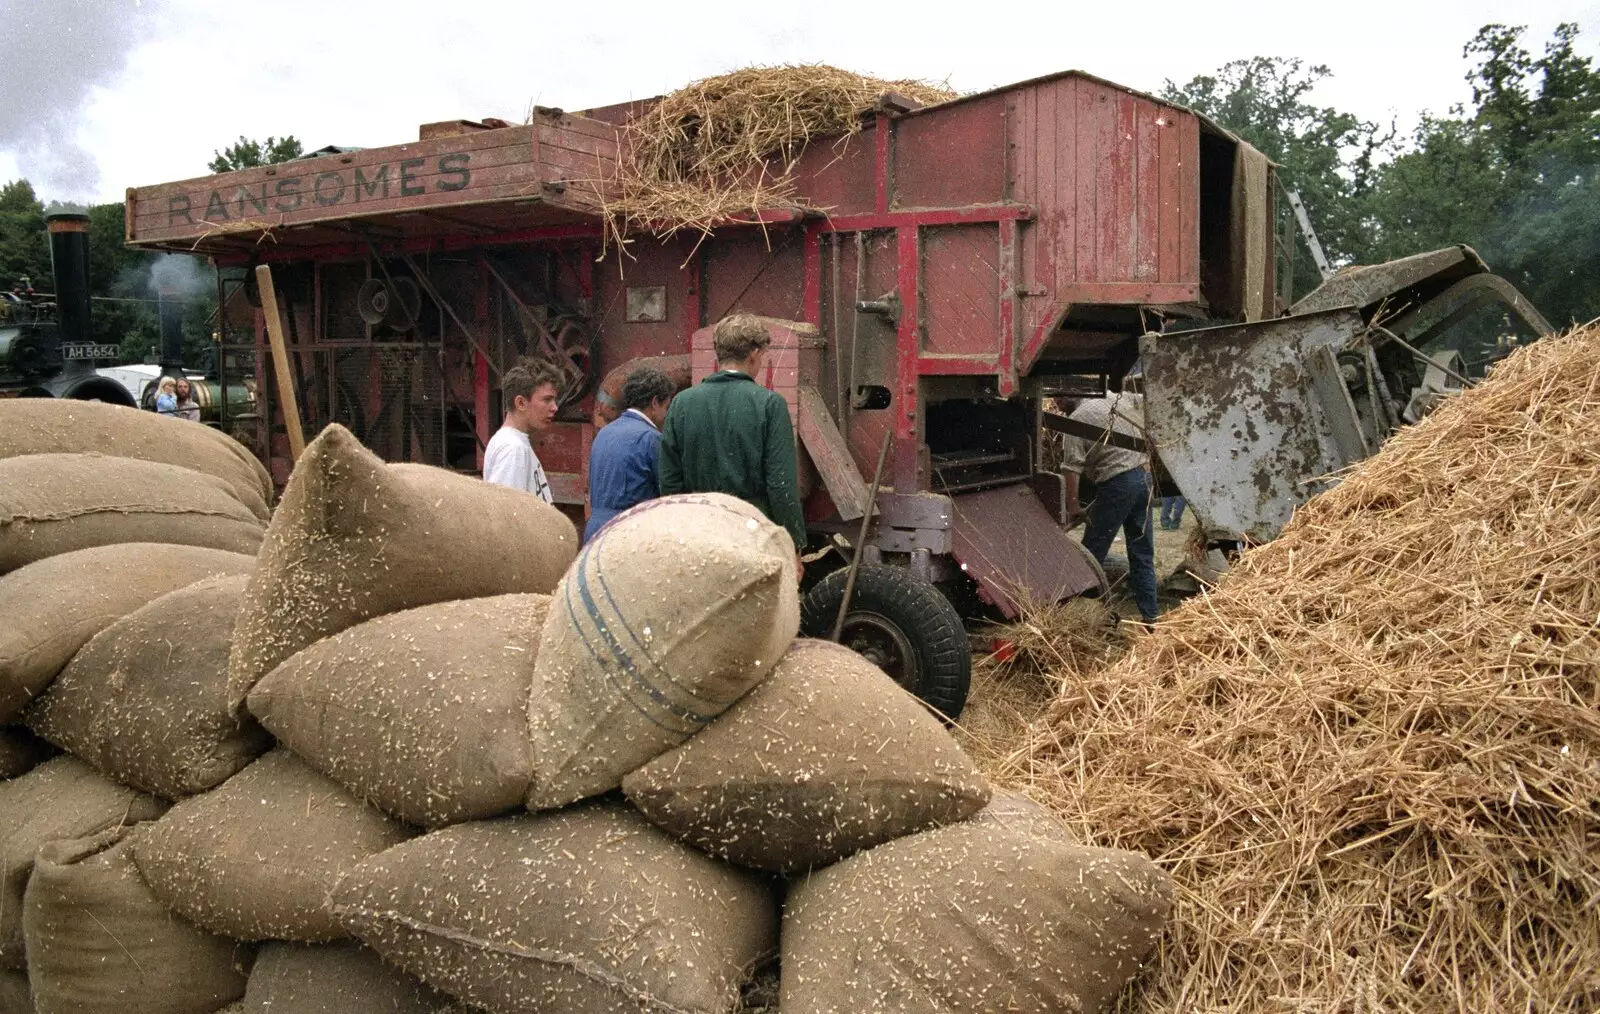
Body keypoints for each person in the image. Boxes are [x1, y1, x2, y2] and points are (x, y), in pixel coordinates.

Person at [660, 314, 806, 580]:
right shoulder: (770, 405)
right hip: (752, 536)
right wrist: (793, 544)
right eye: (761, 356)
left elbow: (669, 482)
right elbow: (781, 485)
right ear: (753, 354)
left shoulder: (682, 403)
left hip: (700, 535)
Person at [1060, 389, 1159, 626]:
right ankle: (1151, 616)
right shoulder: (1116, 396)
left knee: (1092, 551)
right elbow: (1148, 400)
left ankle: (1086, 614)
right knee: (1142, 551)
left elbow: (1070, 468)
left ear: (1065, 397)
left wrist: (1073, 507)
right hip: (1145, 477)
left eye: (1056, 399)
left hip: (1118, 484)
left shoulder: (1076, 420)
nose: (1056, 404)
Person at [584, 366, 675, 542]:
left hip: (595, 532)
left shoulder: (605, 433)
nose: (666, 414)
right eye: (666, 406)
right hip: (628, 534)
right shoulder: (651, 438)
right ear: (654, 402)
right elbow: (668, 492)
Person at [483, 358, 562, 503]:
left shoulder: (514, 443)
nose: (554, 407)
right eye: (547, 400)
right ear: (521, 403)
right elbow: (505, 513)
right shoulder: (512, 449)